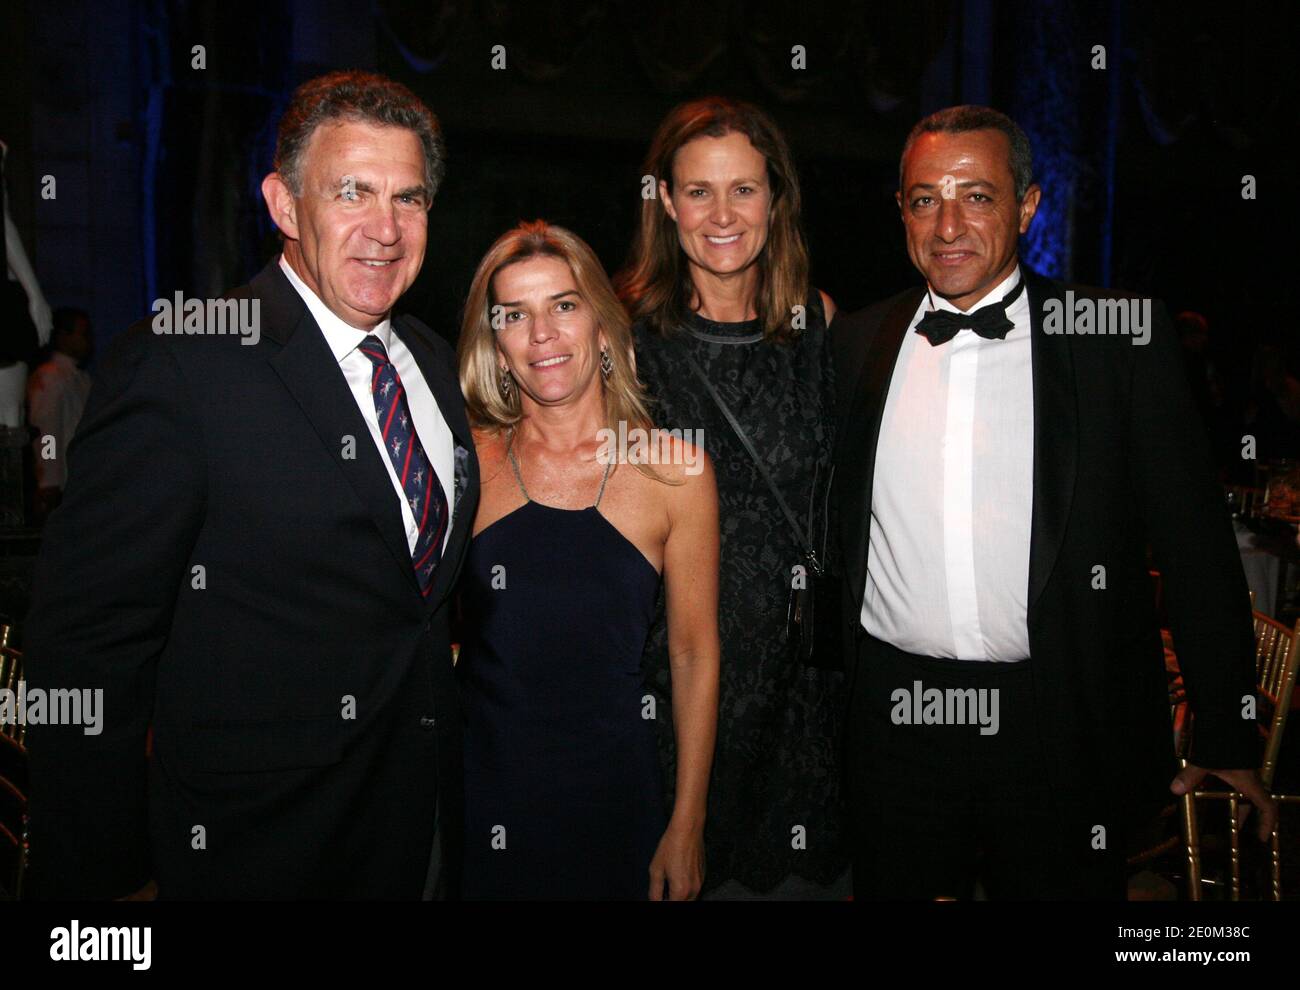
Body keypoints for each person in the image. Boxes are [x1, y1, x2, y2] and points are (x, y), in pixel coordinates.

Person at [24, 70, 478, 899]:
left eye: (408, 199)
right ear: (282, 204)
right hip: (249, 851)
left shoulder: (435, 364)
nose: (385, 228)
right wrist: (107, 877)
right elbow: (86, 650)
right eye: (353, 191)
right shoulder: (184, 365)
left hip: (420, 836)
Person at [832, 104, 1275, 899]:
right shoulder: (857, 342)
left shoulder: (1117, 339)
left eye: (978, 196)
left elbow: (1194, 543)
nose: (948, 225)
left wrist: (1227, 722)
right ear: (901, 210)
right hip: (895, 717)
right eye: (924, 198)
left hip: (1056, 718)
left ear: (1028, 206)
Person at [616, 96, 848, 898]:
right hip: (673, 684)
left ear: (775, 200)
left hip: (802, 692)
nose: (722, 214)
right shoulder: (626, 343)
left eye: (744, 189)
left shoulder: (818, 327)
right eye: (699, 191)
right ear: (666, 203)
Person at [456, 220, 719, 900]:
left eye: (563, 306)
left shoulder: (676, 472)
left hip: (615, 799)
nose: (542, 334)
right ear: (497, 345)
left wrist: (687, 823)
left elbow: (694, 655)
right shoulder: (466, 465)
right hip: (483, 797)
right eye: (514, 315)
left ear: (602, 327)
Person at [26, 306, 94, 521]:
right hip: (62, 485)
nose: (88, 340)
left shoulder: (79, 378)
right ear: (63, 337)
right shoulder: (52, 377)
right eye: (82, 334)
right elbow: (46, 432)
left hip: (79, 482)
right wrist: (48, 479)